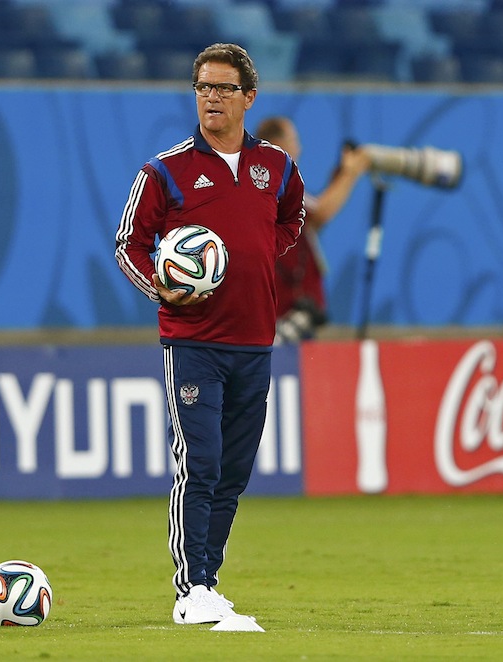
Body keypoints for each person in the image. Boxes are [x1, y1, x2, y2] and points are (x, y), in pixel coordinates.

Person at [115, 43, 305, 625]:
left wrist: (256, 257)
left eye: (223, 88)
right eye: (202, 88)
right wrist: (162, 287)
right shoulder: (164, 171)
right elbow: (129, 245)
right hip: (193, 341)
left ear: (249, 97)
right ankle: (188, 588)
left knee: (234, 470)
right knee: (199, 461)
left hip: (255, 341)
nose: (211, 98)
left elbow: (292, 218)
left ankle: (209, 579)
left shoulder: (275, 167)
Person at [255, 117, 371, 342]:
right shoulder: (269, 188)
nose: (300, 147)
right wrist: (351, 173)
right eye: (294, 140)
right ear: (278, 145)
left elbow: (312, 217)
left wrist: (341, 174)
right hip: (283, 318)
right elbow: (320, 213)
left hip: (296, 315)